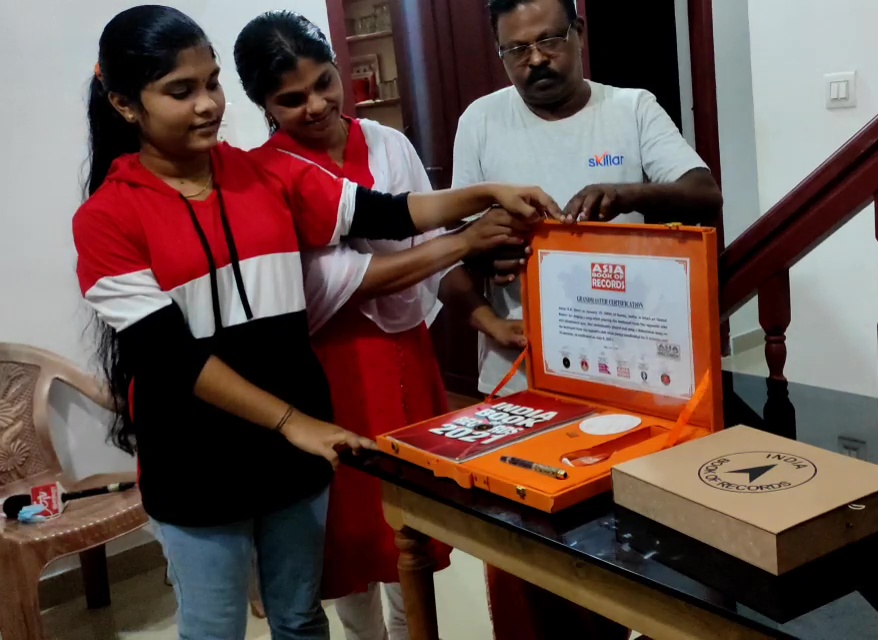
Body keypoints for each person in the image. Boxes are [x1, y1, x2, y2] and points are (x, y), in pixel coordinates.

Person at [74, 7, 557, 639]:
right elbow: (170, 357)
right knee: (215, 628)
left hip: (292, 457)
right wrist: (295, 423)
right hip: (198, 463)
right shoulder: (107, 218)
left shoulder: (266, 174)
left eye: (212, 83)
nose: (207, 105)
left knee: (300, 618)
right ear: (125, 104)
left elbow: (385, 212)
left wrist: (488, 192)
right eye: (180, 91)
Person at [233, 12, 527, 640]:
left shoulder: (388, 144)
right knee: (351, 530)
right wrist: (465, 238)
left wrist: (483, 320)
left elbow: (430, 241)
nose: (316, 105)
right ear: (262, 103)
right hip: (330, 367)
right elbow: (349, 279)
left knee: (413, 522)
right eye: (291, 98)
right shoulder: (267, 175)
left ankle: (413, 630)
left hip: (405, 357)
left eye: (325, 83)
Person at [451, 0, 722, 637]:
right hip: (522, 369)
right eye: (516, 50)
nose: (536, 60)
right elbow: (460, 243)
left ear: (578, 33)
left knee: (624, 545)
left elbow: (705, 194)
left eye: (549, 41)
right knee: (527, 549)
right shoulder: (481, 120)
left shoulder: (630, 108)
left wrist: (628, 194)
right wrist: (489, 271)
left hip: (630, 369)